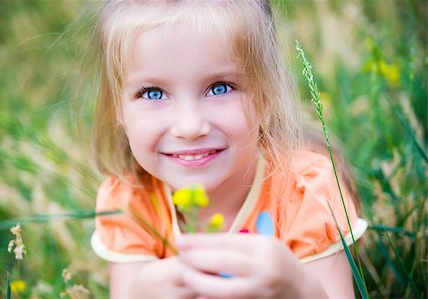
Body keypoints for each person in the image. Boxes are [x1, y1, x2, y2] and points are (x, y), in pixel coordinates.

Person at [90, 1, 367, 298]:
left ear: (265, 97)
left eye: (220, 88)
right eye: (153, 93)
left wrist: (298, 288)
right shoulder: (131, 202)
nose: (189, 126)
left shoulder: (306, 193)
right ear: (118, 108)